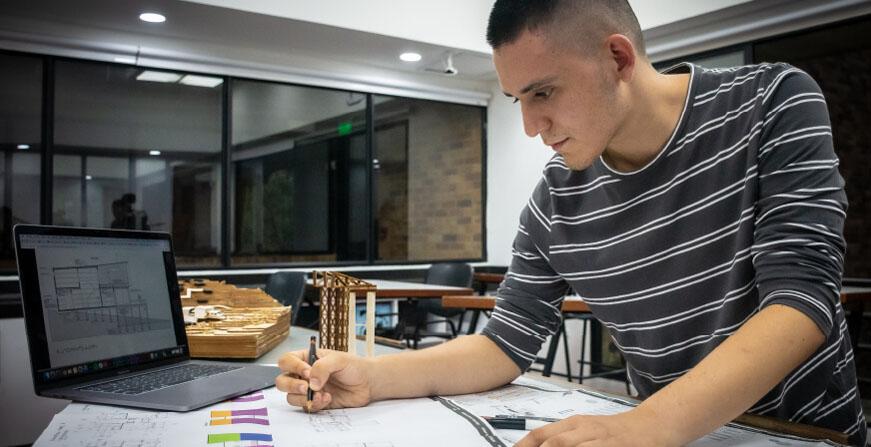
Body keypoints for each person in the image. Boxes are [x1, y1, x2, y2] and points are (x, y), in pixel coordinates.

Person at [275, 0, 866, 445]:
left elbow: (801, 301)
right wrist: (373, 377)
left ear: (617, 58)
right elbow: (502, 347)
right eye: (518, 102)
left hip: (799, 433)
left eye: (545, 92)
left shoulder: (772, 101)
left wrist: (647, 425)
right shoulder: (556, 200)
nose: (533, 126)